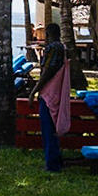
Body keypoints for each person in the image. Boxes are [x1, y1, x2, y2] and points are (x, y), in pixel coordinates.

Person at [36, 22, 72, 173]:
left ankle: (52, 164)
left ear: (47, 34)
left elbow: (47, 72)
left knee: (48, 129)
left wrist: (34, 90)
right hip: (58, 91)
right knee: (52, 128)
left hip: (49, 92)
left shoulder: (52, 48)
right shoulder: (63, 48)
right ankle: (56, 160)